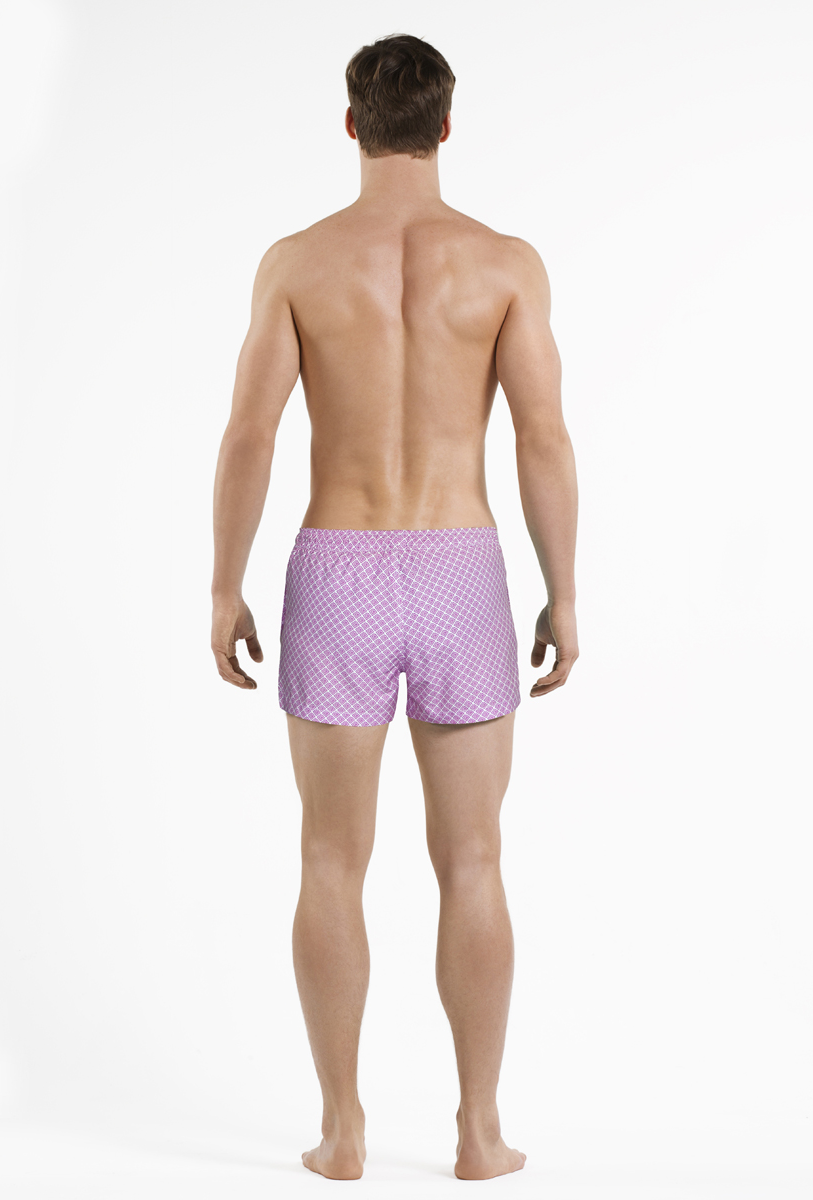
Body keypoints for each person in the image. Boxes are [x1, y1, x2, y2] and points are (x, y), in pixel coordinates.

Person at [210, 34, 578, 1181]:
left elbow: (251, 434)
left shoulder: (298, 264)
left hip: (338, 570)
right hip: (462, 567)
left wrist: (223, 584)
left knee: (329, 859)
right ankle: (479, 1132)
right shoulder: (505, 265)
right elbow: (543, 438)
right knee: (474, 860)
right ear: (447, 127)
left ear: (353, 125)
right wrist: (564, 592)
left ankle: (343, 1131)